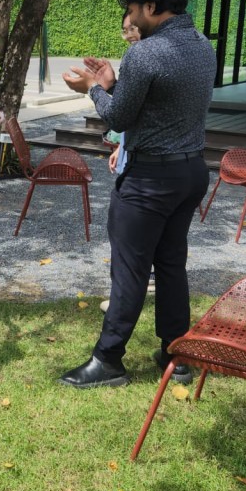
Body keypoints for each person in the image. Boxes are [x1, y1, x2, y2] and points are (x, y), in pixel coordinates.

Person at [60, 0, 216, 389]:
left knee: (129, 269)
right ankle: (176, 354)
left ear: (150, 6)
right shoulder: (202, 45)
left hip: (150, 178)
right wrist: (114, 83)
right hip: (191, 171)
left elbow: (118, 117)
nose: (129, 18)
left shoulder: (145, 53)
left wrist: (93, 88)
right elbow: (160, 104)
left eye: (131, 9)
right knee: (171, 264)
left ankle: (108, 359)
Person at [100, 15, 155, 313]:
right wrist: (121, 145)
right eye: (124, 30)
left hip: (145, 168)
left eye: (133, 28)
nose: (129, 35)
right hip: (133, 156)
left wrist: (96, 89)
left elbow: (121, 115)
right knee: (131, 235)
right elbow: (137, 115)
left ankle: (123, 300)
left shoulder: (145, 59)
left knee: (127, 235)